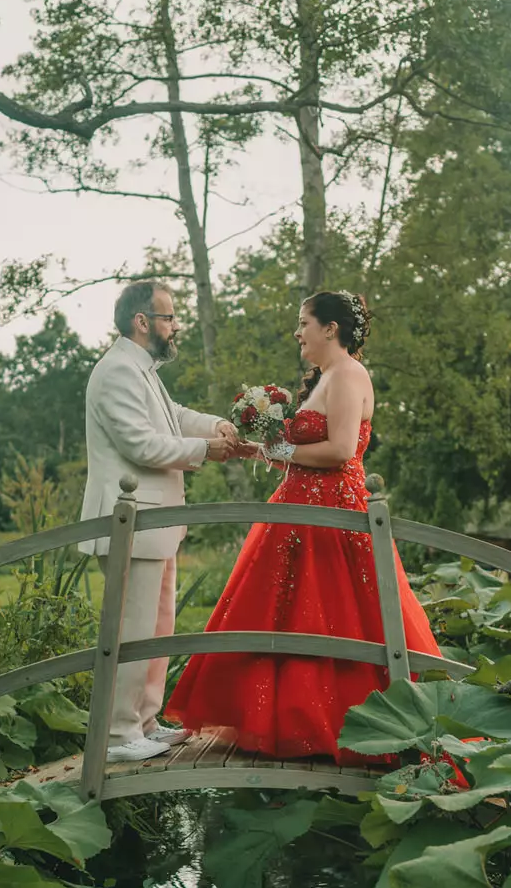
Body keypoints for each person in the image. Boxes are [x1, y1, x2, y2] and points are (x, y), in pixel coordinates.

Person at [165, 291, 441, 764]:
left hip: (332, 513)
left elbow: (339, 452)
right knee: (278, 611)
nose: (297, 333)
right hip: (295, 509)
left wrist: (282, 452)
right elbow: (303, 454)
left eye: (303, 323)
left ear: (330, 328)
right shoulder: (321, 379)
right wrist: (263, 449)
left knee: (333, 613)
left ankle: (345, 722)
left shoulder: (350, 374)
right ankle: (284, 719)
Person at [83, 281, 247, 762]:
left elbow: (170, 417)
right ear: (142, 322)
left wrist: (213, 424)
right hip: (130, 525)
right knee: (130, 633)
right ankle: (117, 736)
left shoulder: (141, 370)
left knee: (156, 629)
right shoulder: (115, 371)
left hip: (157, 525)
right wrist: (206, 450)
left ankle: (145, 722)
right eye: (169, 318)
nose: (175, 327)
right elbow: (141, 444)